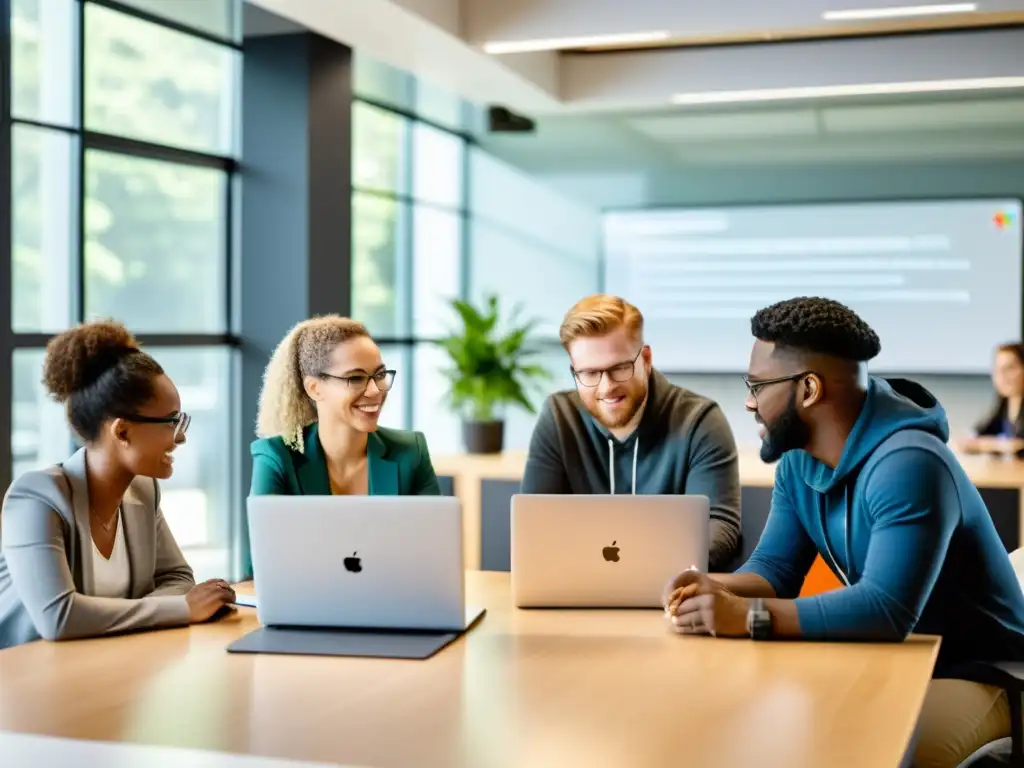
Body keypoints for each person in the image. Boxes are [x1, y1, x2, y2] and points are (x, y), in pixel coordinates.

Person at [662, 297, 1024, 768]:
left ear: (809, 389)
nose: (749, 401)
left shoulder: (911, 462)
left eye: (757, 385)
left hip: (983, 671)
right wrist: (712, 588)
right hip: (899, 660)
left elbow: (885, 609)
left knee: (875, 752)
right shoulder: (797, 458)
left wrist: (749, 617)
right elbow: (775, 570)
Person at [0, 321, 235, 649]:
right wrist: (180, 608)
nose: (180, 436)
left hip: (103, 665)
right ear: (122, 432)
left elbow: (178, 578)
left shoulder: (143, 490)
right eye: (170, 421)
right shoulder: (36, 497)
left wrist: (172, 606)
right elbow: (59, 616)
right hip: (26, 680)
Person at [521, 294, 741, 570]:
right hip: (580, 590)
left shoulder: (699, 422)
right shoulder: (558, 417)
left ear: (645, 360)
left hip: (674, 594)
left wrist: (648, 570)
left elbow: (720, 527)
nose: (606, 387)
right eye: (589, 373)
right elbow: (535, 527)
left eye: (619, 368)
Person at [248, 316, 441, 570]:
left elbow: (436, 557)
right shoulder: (276, 457)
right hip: (309, 606)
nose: (375, 391)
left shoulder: (410, 452)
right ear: (315, 388)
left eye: (380, 375)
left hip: (395, 602)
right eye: (356, 378)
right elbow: (260, 570)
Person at [961, 342, 1024, 456]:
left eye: (1010, 368)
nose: (1002, 375)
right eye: (997, 369)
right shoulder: (1003, 406)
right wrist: (1000, 445)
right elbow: (969, 440)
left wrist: (987, 445)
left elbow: (1019, 446)